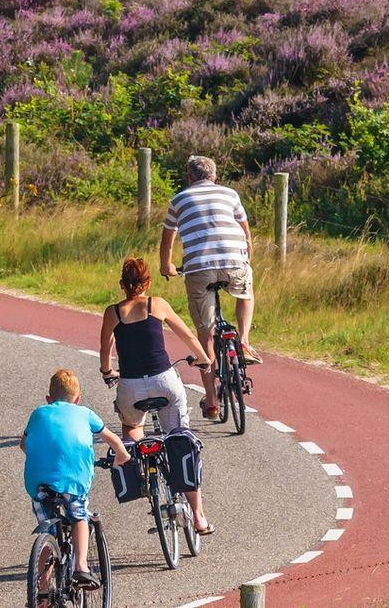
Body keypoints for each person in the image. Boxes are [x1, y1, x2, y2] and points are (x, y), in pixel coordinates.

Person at [99, 258, 214, 534]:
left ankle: (139, 467)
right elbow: (186, 335)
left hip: (130, 386)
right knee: (179, 437)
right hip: (165, 382)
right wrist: (203, 359)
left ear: (121, 285)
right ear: (147, 283)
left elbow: (105, 349)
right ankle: (198, 517)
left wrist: (107, 371)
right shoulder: (157, 304)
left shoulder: (112, 312)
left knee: (132, 427)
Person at [158, 154, 259, 417]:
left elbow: (167, 238)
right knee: (246, 293)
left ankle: (212, 401)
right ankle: (245, 343)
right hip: (234, 262)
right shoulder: (231, 194)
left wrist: (166, 266)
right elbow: (246, 233)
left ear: (189, 178)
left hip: (199, 268)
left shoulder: (178, 200)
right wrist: (245, 253)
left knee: (205, 334)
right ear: (215, 176)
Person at [20, 369, 130, 590]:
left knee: (46, 531)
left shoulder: (38, 413)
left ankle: (42, 590)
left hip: (38, 481)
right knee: (79, 517)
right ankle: (81, 567)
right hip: (73, 479)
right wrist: (122, 456)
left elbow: (24, 444)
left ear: (48, 399)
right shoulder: (85, 413)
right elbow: (113, 440)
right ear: (78, 400)